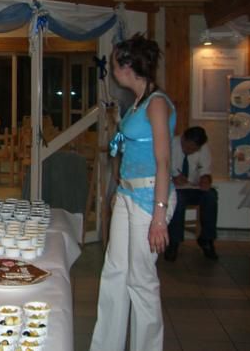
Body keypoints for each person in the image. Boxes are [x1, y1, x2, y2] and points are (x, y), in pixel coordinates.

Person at [90, 34, 176, 351]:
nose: (112, 70)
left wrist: (159, 216)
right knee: (114, 273)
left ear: (127, 65)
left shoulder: (156, 104)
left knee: (141, 281)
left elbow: (163, 161)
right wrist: (119, 191)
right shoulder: (137, 103)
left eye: (114, 63)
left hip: (151, 196)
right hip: (129, 195)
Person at [165, 126, 218, 261]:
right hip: (173, 188)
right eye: (187, 147)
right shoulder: (170, 143)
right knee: (179, 199)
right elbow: (159, 168)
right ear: (183, 138)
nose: (189, 151)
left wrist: (205, 179)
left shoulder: (203, 147)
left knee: (211, 195)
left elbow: (205, 169)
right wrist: (173, 178)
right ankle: (174, 242)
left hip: (193, 187)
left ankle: (206, 239)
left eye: (194, 149)